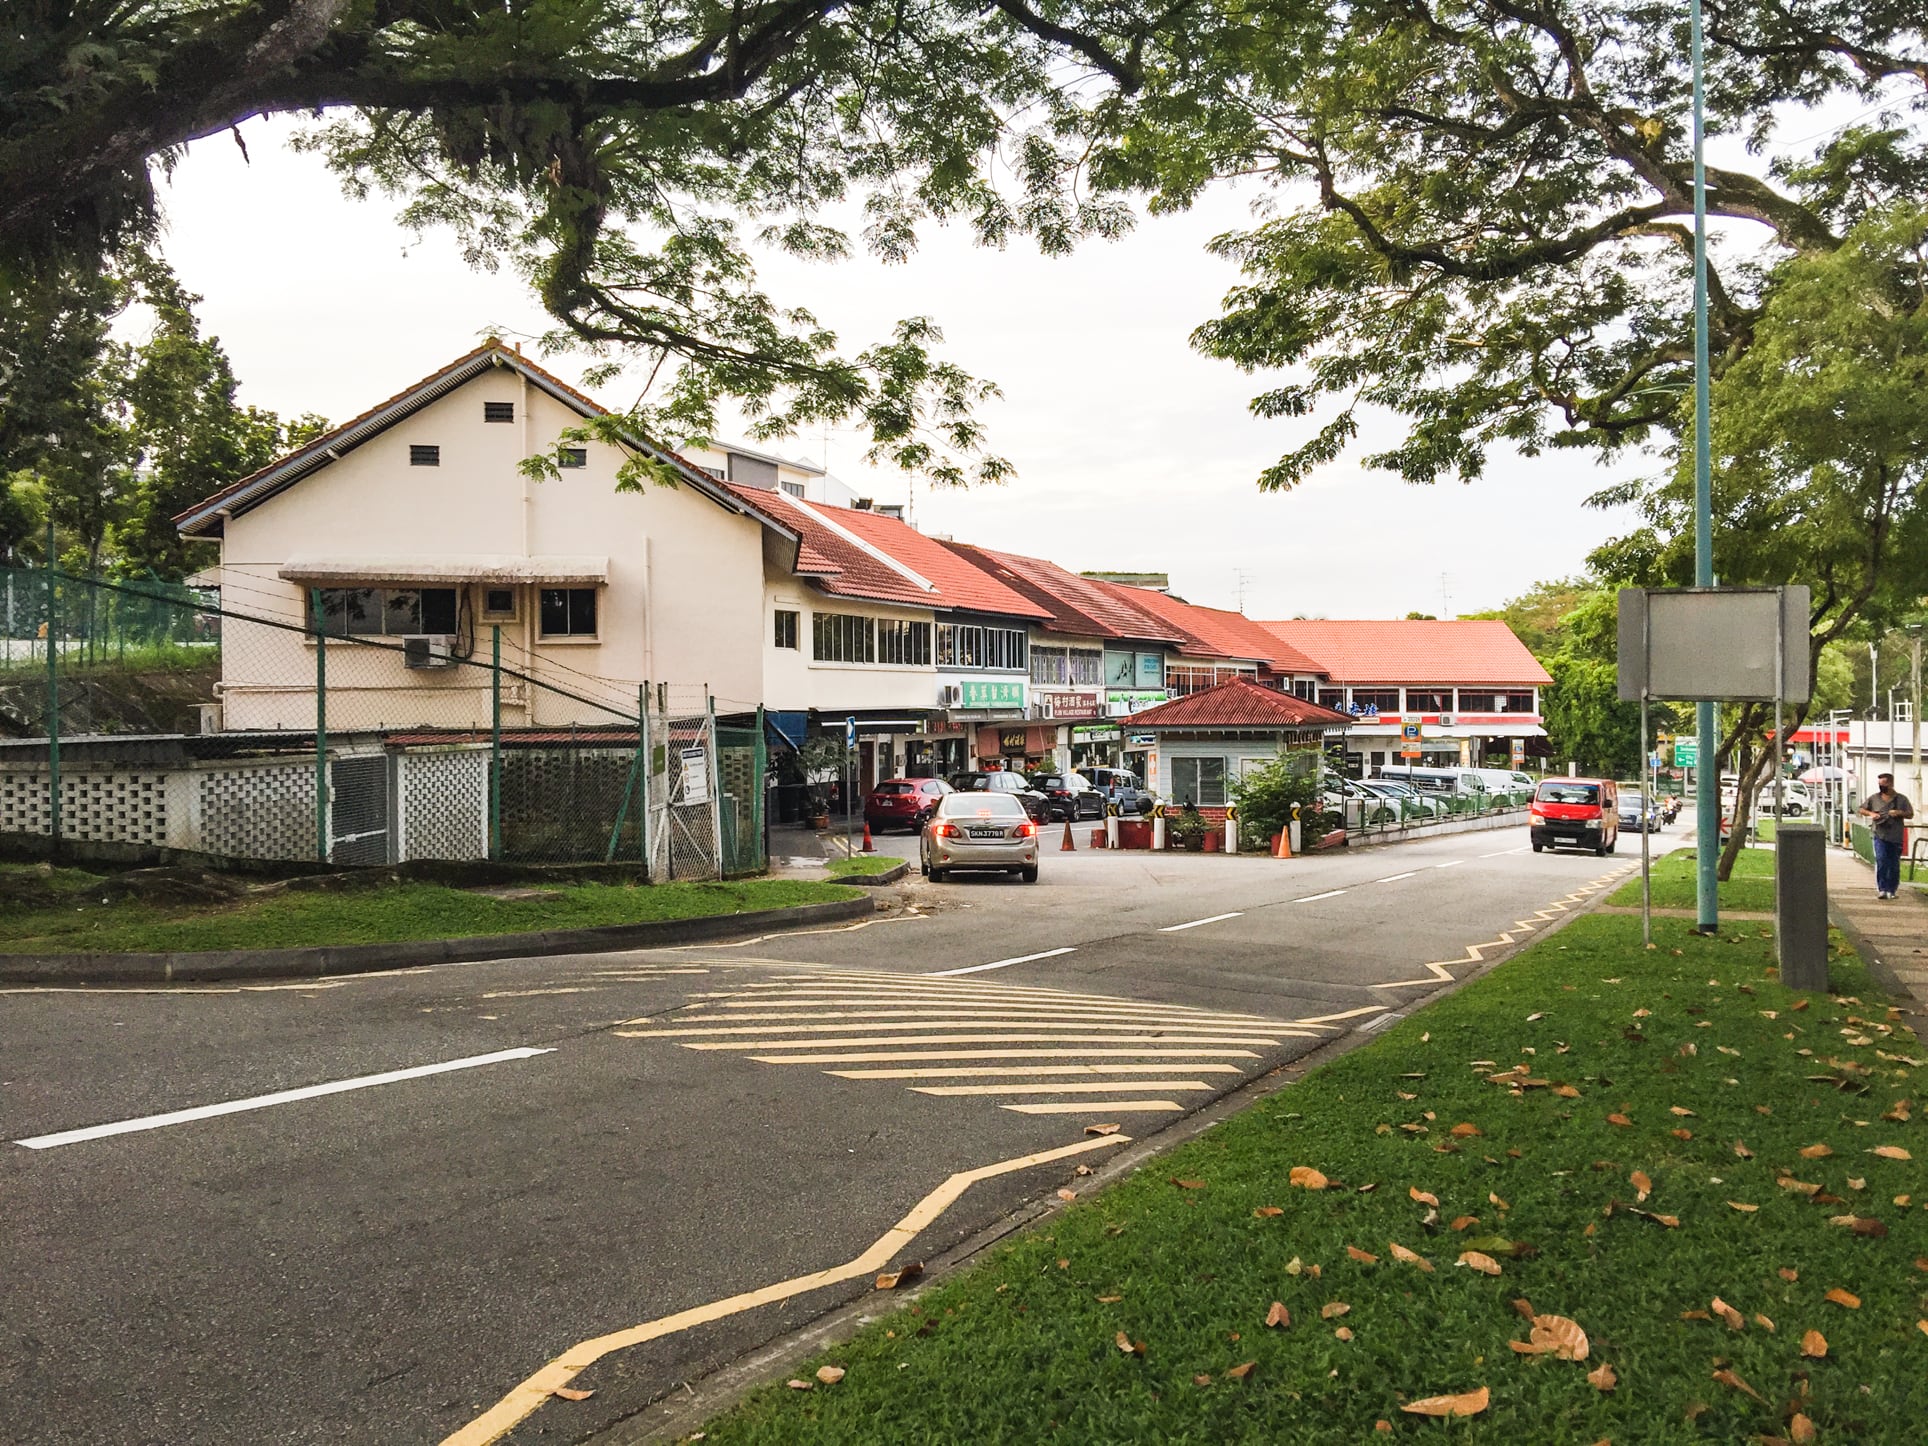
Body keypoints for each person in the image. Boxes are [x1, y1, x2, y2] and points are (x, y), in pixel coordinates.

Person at [1859, 772, 1914, 899]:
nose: (1881, 787)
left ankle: (1892, 889)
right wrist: (1871, 814)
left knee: (1893, 863)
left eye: (1884, 784)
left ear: (1891, 783)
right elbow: (1862, 809)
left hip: (1895, 836)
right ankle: (1882, 888)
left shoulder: (1901, 799)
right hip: (1879, 834)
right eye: (1879, 784)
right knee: (1881, 860)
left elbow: (1910, 814)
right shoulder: (1874, 798)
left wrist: (1899, 813)